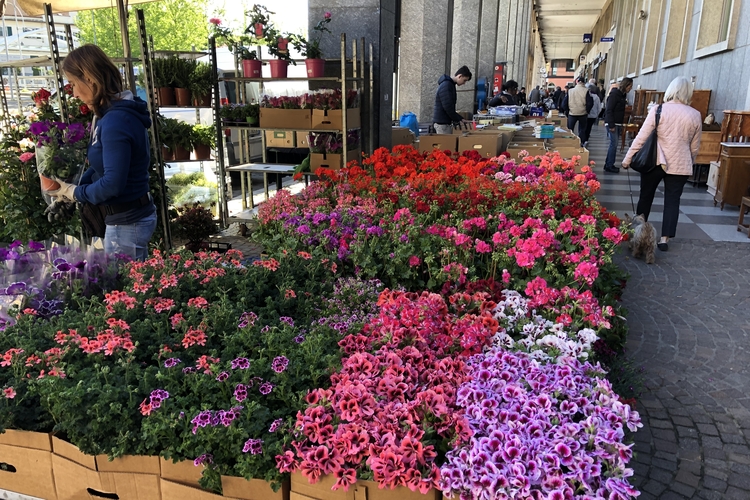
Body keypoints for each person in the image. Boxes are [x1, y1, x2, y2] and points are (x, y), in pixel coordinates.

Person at [47, 44, 157, 260]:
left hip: (127, 222)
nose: (75, 93)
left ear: (90, 78)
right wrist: (70, 193)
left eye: (74, 84)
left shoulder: (116, 120)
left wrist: (75, 192)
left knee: (125, 291)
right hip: (127, 219)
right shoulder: (109, 115)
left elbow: (112, 184)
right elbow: (101, 168)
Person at [622, 76, 701, 252]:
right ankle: (665, 239)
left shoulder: (658, 110)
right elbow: (695, 147)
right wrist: (691, 161)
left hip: (655, 162)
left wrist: (628, 159)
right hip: (680, 164)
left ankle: (639, 231)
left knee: (646, 196)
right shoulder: (695, 115)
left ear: (671, 90)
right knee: (672, 201)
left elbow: (641, 137)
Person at [603, 77, 633, 173]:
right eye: (630, 86)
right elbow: (609, 110)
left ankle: (608, 164)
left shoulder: (622, 95)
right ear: (625, 85)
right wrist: (611, 125)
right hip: (613, 123)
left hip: (618, 123)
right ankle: (609, 165)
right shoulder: (615, 95)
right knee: (614, 144)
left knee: (614, 144)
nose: (630, 88)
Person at [433, 65, 473, 135]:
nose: (464, 83)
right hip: (442, 123)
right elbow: (448, 107)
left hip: (444, 122)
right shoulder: (447, 85)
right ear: (460, 76)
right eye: (464, 80)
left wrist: (460, 119)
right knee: (446, 145)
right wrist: (458, 119)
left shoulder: (449, 84)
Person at [564, 77, 590, 144]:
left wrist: (567, 111)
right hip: (583, 113)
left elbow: (565, 102)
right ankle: (580, 143)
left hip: (572, 113)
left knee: (570, 129)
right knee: (582, 129)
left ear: (576, 82)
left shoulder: (570, 91)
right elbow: (590, 102)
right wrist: (587, 110)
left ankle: (569, 142)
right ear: (584, 82)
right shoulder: (586, 90)